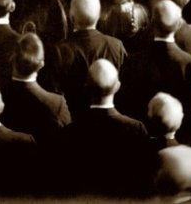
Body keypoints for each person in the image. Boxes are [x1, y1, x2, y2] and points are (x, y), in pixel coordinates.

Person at [58, 59, 151, 198]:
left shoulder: (69, 132)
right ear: (117, 86)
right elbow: (142, 180)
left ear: (86, 87)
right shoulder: (136, 129)